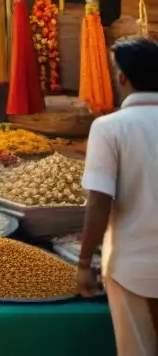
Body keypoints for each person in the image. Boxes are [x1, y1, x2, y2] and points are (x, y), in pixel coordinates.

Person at [78, 37, 158, 354]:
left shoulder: (109, 127)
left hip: (130, 268)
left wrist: (84, 261)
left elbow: (99, 201)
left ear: (122, 77)